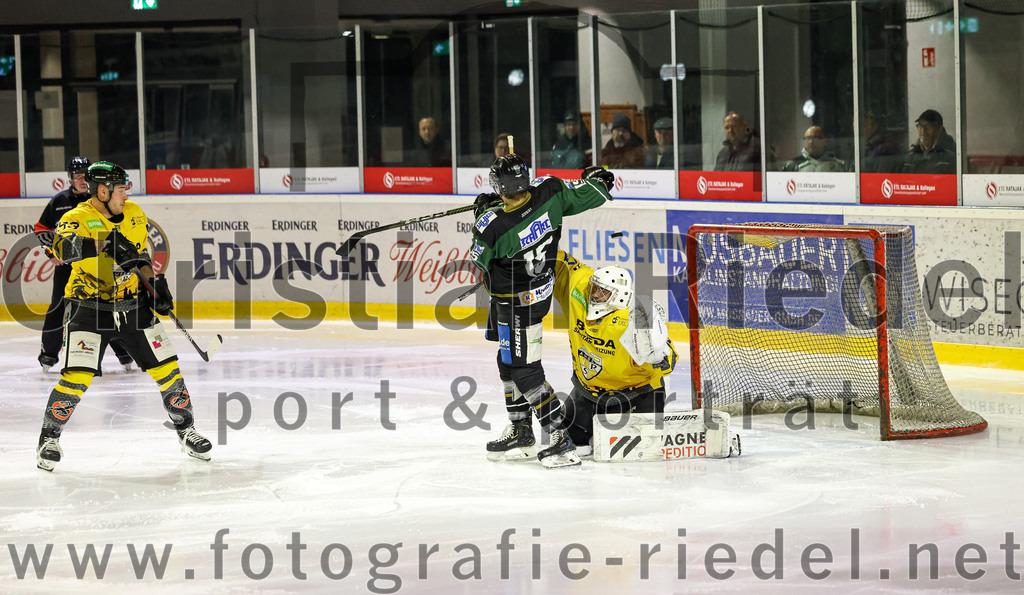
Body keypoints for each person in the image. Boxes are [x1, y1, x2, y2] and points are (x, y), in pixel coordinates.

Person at [35, 161, 212, 471]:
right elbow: (60, 250)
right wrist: (106, 244)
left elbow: (141, 256)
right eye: (120, 190)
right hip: (87, 308)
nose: (126, 195)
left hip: (132, 306)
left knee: (168, 371)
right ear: (102, 191)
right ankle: (48, 439)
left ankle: (187, 432)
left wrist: (155, 285)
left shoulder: (134, 214)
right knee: (77, 377)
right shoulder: (75, 217)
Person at [469, 154, 614, 468]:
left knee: (524, 370)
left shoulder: (492, 226)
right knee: (507, 361)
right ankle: (521, 430)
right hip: (534, 293)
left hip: (516, 302)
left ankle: (559, 438)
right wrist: (598, 178)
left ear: (498, 187)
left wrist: (485, 210)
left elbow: (479, 260)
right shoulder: (552, 192)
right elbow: (594, 193)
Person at [552, 250, 677, 453]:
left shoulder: (637, 318)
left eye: (604, 292)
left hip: (637, 393)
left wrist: (660, 357)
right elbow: (563, 262)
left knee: (641, 449)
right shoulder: (579, 292)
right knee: (572, 443)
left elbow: (669, 358)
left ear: (620, 297)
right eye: (595, 288)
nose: (595, 294)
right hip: (589, 392)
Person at [34, 156, 134, 372]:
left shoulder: (98, 201)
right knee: (58, 307)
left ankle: (124, 351)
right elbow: (42, 230)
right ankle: (49, 355)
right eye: (76, 176)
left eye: (84, 175)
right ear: (70, 178)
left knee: (108, 304)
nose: (80, 179)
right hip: (68, 267)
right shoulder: (59, 201)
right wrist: (53, 252)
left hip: (97, 265)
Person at [902, 109, 956, 174]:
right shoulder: (911, 155)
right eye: (920, 126)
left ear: (939, 129)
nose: (923, 130)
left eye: (928, 126)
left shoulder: (951, 155)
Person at [781, 125, 847, 172]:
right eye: (808, 138)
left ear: (824, 141)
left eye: (815, 138)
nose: (811, 141)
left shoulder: (837, 165)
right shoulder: (793, 165)